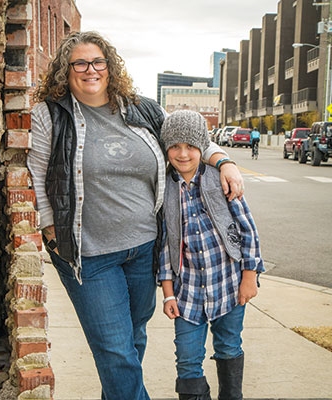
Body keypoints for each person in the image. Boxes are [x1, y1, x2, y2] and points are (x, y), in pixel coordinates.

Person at [27, 31, 244, 400]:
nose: (90, 70)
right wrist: (51, 231)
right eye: (80, 62)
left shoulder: (142, 108)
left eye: (98, 62)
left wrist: (224, 162)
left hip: (144, 248)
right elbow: (37, 172)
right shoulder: (51, 114)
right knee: (115, 349)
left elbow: (192, 140)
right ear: (67, 69)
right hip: (88, 255)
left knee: (132, 337)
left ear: (110, 67)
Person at [157, 110, 264, 400]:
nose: (183, 154)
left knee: (229, 347)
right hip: (187, 295)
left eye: (191, 146)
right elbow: (166, 247)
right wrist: (168, 294)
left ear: (202, 148)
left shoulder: (220, 180)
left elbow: (248, 231)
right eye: (175, 146)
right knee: (188, 361)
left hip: (228, 287)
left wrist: (249, 277)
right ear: (166, 148)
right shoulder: (164, 188)